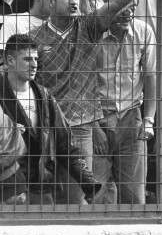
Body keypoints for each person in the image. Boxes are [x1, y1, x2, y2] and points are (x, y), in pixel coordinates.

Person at [29, 0, 145, 173]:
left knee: (79, 196)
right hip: (46, 126)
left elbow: (116, 3)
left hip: (80, 126)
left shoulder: (88, 26)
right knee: (46, 195)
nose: (74, 1)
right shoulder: (34, 38)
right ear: (50, 2)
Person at [0, 34, 100, 205]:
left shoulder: (44, 96)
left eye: (36, 59)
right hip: (8, 185)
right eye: (27, 59)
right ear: (9, 61)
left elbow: (65, 142)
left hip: (40, 185)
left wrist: (86, 180)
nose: (34, 65)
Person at [93, 0, 157, 204]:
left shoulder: (143, 31)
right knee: (98, 195)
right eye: (123, 7)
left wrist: (148, 120)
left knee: (134, 198)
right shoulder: (92, 32)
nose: (129, 12)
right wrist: (94, 127)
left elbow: (150, 76)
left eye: (134, 7)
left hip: (131, 118)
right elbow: (81, 82)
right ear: (108, 6)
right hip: (98, 118)